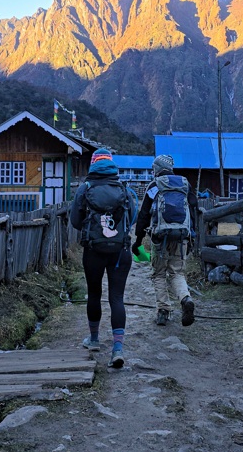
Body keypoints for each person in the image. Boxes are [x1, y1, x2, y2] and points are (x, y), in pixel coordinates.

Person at [69, 148, 134, 368]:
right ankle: (118, 348)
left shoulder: (85, 188)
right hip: (120, 252)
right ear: (112, 165)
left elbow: (75, 222)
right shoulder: (124, 188)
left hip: (93, 251)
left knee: (94, 294)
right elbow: (131, 218)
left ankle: (94, 340)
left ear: (93, 164)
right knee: (117, 297)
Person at [132, 154, 199, 326]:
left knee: (159, 274)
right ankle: (185, 299)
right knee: (177, 273)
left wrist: (138, 240)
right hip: (182, 237)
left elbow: (144, 215)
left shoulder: (155, 186)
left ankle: (163, 311)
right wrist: (192, 236)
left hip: (159, 238)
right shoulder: (185, 184)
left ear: (156, 169)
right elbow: (194, 209)